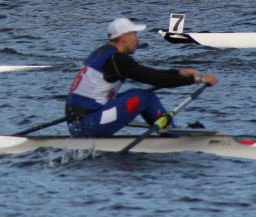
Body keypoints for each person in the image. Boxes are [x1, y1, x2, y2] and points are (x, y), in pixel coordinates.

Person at [66, 17, 218, 137]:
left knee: (138, 93)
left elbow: (148, 74)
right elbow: (155, 79)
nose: (138, 39)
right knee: (145, 97)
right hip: (89, 125)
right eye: (135, 34)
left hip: (78, 124)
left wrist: (177, 73)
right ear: (124, 37)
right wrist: (197, 79)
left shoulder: (101, 54)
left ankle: (169, 130)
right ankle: (172, 136)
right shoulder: (118, 60)